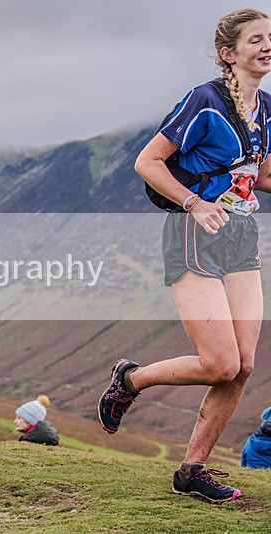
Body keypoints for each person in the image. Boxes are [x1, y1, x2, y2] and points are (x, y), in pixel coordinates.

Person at [99, 8, 271, 503]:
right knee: (220, 362)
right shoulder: (205, 100)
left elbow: (258, 176)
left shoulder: (268, 110)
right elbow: (146, 162)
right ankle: (131, 378)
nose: (265, 46)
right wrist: (194, 203)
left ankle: (193, 470)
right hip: (193, 231)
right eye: (255, 39)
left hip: (241, 236)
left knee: (243, 365)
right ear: (228, 53)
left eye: (270, 38)